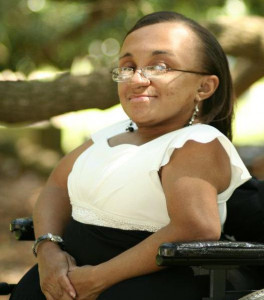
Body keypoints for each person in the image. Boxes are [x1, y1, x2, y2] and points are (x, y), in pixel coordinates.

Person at [10, 11, 251, 300]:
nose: (137, 79)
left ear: (204, 87)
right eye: (127, 66)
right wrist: (48, 250)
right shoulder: (111, 133)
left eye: (159, 66)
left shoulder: (196, 143)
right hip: (71, 279)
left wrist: (97, 279)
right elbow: (56, 187)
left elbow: (197, 227)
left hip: (147, 283)